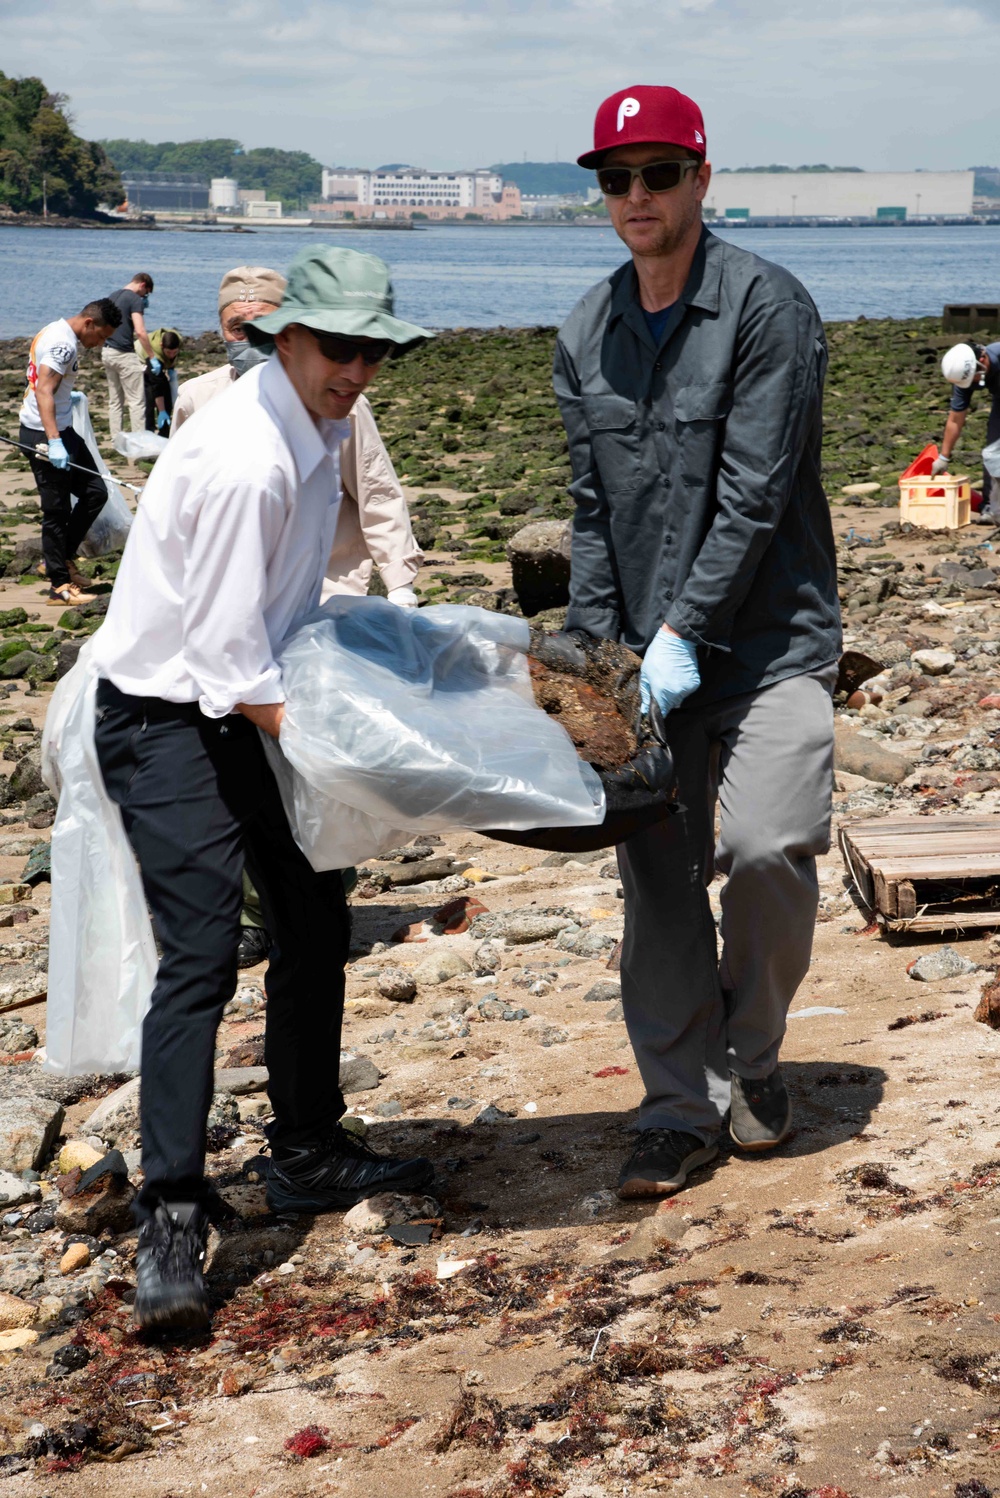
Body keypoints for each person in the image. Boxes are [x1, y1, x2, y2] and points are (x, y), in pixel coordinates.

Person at [90, 246, 435, 1333]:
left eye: (373, 350)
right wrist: (380, 756)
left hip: (244, 698)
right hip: (164, 718)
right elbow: (231, 658)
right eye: (339, 348)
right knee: (199, 956)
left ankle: (307, 1152)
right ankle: (173, 1213)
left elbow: (281, 621)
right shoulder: (247, 455)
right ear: (283, 339)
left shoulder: (320, 422)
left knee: (312, 909)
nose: (357, 370)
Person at [554, 85, 841, 1200]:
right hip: (638, 664)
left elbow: (756, 492)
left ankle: (754, 1060)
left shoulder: (771, 309)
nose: (636, 195)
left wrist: (682, 637)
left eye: (659, 172)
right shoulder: (585, 330)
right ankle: (677, 1108)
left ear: (702, 178)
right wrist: (592, 662)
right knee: (661, 889)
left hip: (769, 646)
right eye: (615, 177)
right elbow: (589, 510)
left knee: (770, 847)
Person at [175, 264, 424, 968]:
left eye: (264, 322)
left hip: (326, 607)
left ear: (292, 333)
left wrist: (400, 585)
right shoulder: (200, 399)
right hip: (240, 618)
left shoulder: (345, 402)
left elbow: (376, 492)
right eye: (235, 325)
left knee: (323, 765)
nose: (248, 336)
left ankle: (326, 895)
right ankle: (263, 911)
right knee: (251, 774)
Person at [19, 298, 123, 606]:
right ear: (89, 323)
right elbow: (43, 389)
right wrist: (53, 441)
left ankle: (60, 560)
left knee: (95, 492)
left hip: (63, 429)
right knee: (57, 510)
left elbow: (46, 382)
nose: (99, 344)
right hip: (45, 433)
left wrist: (69, 400)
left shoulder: (56, 330)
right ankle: (58, 587)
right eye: (102, 337)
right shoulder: (63, 345)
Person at [934, 341, 1000, 521]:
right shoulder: (964, 375)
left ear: (983, 360)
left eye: (975, 378)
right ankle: (991, 507)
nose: (973, 383)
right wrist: (943, 457)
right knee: (993, 453)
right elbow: (956, 418)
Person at [102, 272, 156, 438]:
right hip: (124, 354)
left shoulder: (112, 296)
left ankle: (116, 440)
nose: (145, 297)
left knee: (115, 402)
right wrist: (152, 356)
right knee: (136, 402)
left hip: (107, 351)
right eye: (146, 293)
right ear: (142, 285)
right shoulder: (134, 299)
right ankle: (139, 444)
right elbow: (140, 331)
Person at [143, 328, 182, 436]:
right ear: (161, 346)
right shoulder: (154, 351)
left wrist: (171, 367)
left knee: (167, 392)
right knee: (151, 394)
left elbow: (173, 357)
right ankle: (149, 430)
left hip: (159, 363)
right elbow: (157, 387)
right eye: (168, 352)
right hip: (143, 362)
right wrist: (162, 411)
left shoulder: (178, 340)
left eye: (174, 352)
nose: (171, 355)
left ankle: (164, 431)